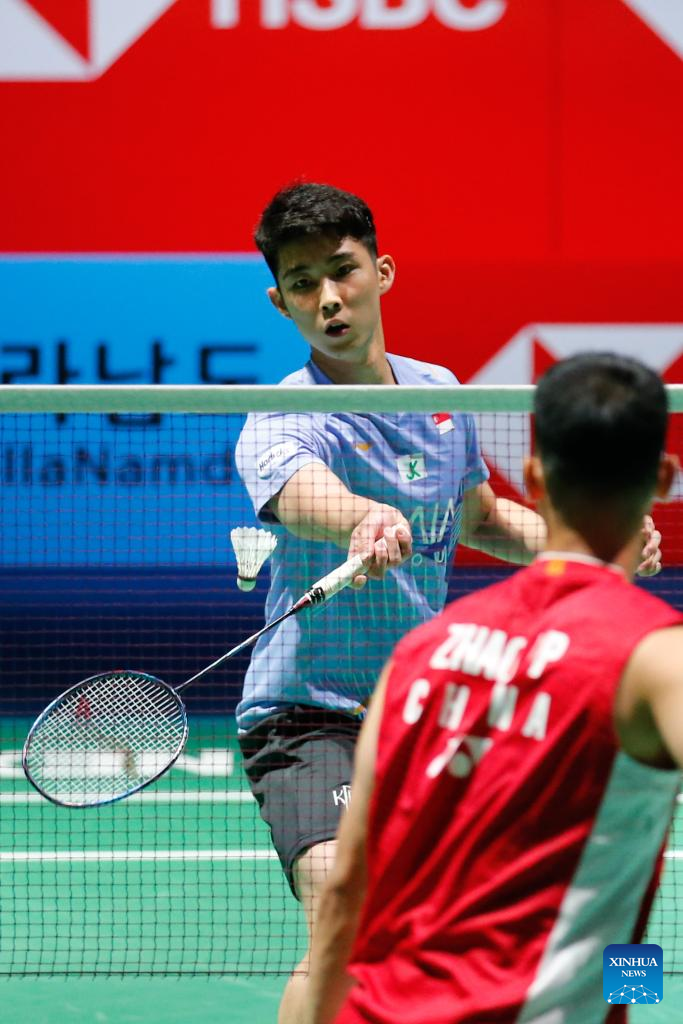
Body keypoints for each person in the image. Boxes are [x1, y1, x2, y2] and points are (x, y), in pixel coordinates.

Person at [234, 185, 662, 1024]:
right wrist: (360, 519)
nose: (328, 298)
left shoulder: (438, 392)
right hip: (308, 714)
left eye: (343, 271)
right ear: (279, 301)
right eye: (303, 283)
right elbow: (300, 492)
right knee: (341, 910)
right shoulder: (284, 412)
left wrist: (596, 541)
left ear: (382, 272)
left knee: (475, 916)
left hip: (423, 716)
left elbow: (481, 520)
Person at [306, 352, 679, 1024]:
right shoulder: (656, 659)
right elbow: (623, 878)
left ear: (532, 479)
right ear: (663, 480)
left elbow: (346, 889)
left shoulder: (421, 651)